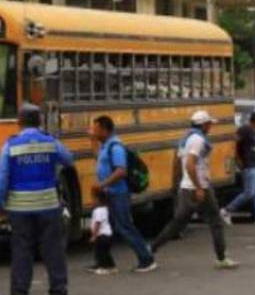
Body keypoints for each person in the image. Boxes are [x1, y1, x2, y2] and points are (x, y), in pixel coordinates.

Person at [0, 104, 75, 295]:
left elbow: (2, 179)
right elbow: (69, 159)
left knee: (22, 250)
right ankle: (59, 291)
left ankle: (19, 293)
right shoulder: (50, 142)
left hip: (20, 207)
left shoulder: (10, 146)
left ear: (19, 122)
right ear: (39, 122)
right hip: (47, 204)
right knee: (53, 250)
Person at [149, 111, 239, 270]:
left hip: (186, 187)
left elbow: (177, 162)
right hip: (199, 187)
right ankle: (221, 258)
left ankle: (151, 249)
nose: (211, 126)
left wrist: (175, 184)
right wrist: (198, 187)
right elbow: (190, 164)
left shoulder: (186, 138)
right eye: (209, 124)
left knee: (177, 223)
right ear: (203, 124)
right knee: (216, 222)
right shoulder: (197, 140)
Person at [91, 116, 158, 273]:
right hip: (109, 194)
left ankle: (146, 259)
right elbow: (99, 159)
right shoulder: (105, 146)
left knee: (125, 227)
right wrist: (92, 140)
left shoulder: (116, 147)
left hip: (118, 194)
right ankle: (105, 263)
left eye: (96, 129)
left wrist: (102, 184)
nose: (94, 131)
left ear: (104, 129)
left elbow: (121, 171)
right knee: (107, 228)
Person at [221, 110, 255, 227]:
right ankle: (227, 210)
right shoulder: (245, 130)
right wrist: (237, 159)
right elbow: (234, 143)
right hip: (249, 165)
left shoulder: (253, 132)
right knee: (249, 192)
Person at [87, 188, 116, 275]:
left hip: (102, 236)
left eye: (93, 199)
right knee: (106, 252)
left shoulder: (98, 211)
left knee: (100, 253)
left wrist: (94, 236)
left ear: (98, 200)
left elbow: (97, 224)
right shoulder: (105, 209)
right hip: (108, 235)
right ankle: (112, 266)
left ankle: (103, 267)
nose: (92, 201)